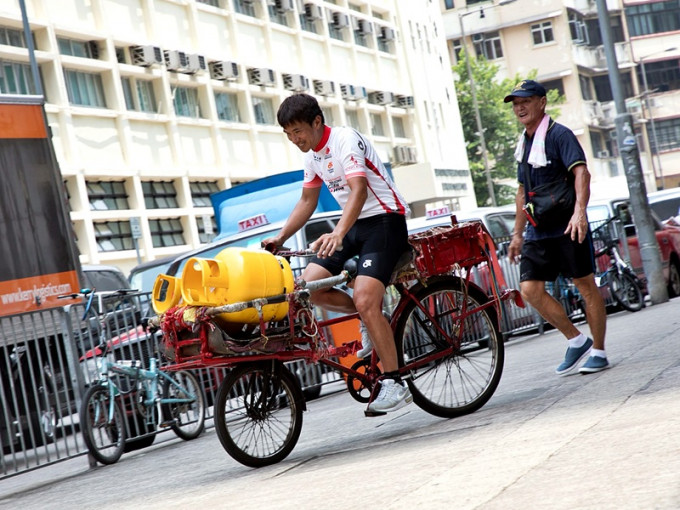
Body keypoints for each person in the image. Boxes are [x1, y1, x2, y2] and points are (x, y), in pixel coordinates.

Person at [263, 93, 413, 413]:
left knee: (365, 297)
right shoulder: (311, 156)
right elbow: (307, 202)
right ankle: (372, 320)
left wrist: (338, 232)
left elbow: (358, 190)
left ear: (317, 122)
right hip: (355, 226)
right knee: (307, 287)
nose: (294, 140)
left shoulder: (345, 140)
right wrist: (279, 238)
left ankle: (395, 381)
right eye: (288, 135)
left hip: (385, 221)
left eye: (298, 131)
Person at [505, 80, 609, 375]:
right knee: (529, 289)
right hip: (538, 230)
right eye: (515, 103)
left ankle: (599, 351)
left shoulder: (559, 135)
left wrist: (580, 213)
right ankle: (576, 341)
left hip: (567, 225)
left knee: (585, 286)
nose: (519, 107)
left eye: (525, 100)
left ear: (542, 102)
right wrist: (517, 233)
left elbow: (581, 173)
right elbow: (522, 191)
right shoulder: (524, 143)